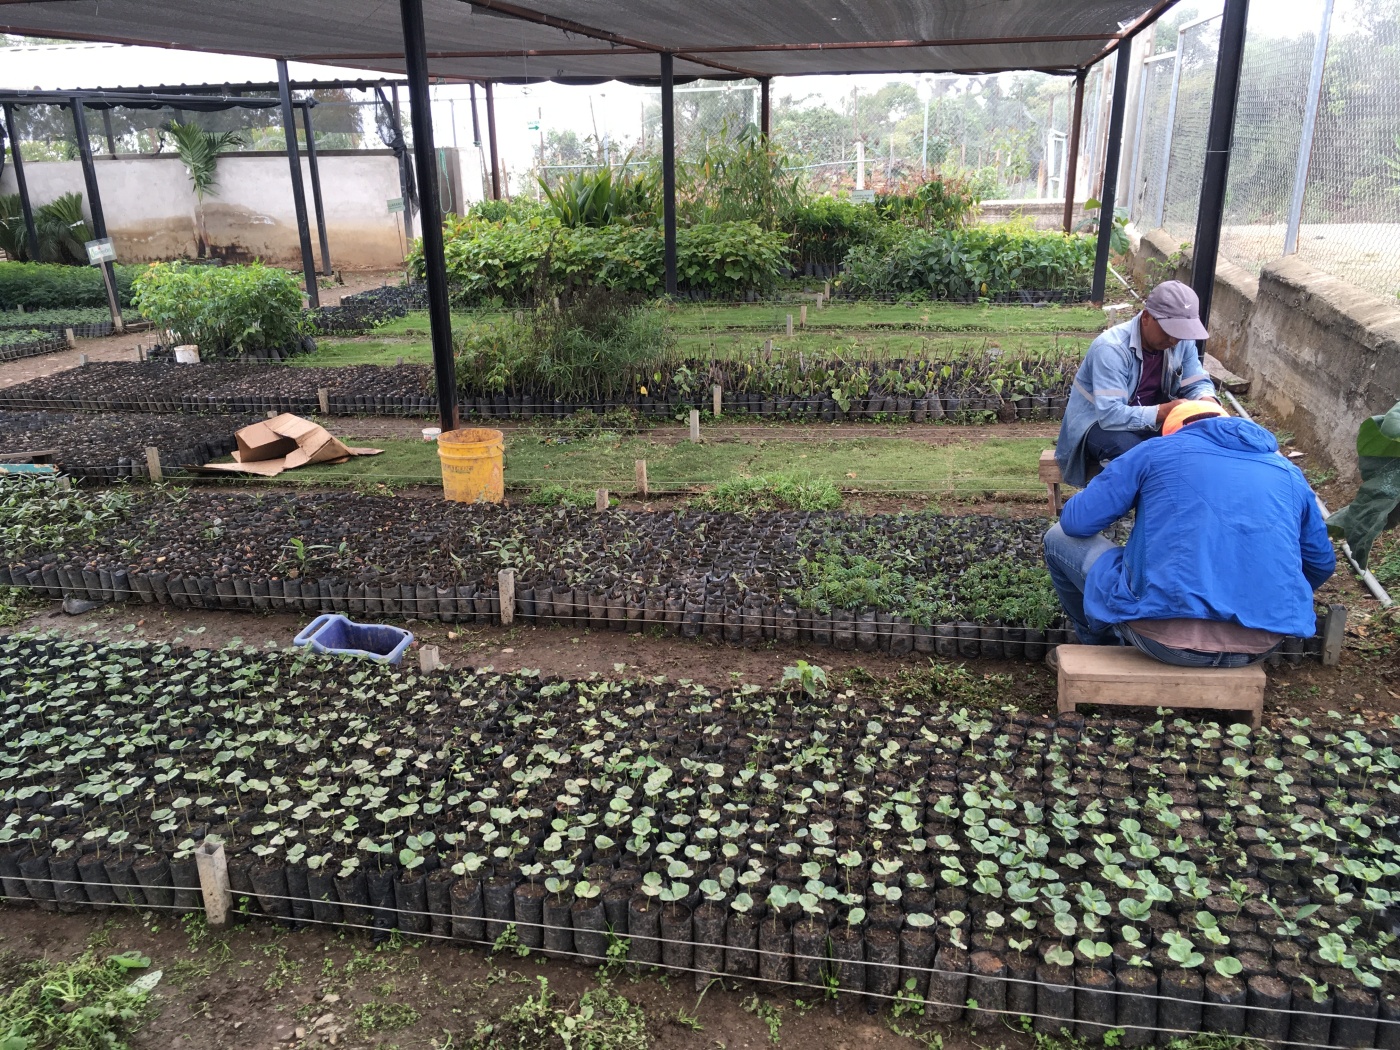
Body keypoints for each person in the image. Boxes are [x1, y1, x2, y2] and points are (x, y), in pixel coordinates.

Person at [1044, 401, 1335, 668]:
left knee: (1058, 539)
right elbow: (1320, 564)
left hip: (1161, 640)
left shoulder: (1154, 452)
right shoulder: (1289, 473)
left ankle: (1099, 648)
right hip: (1259, 645)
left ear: (1174, 432)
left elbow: (1075, 523)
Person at [1054, 280, 1220, 489]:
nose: (1173, 339)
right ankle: (1100, 510)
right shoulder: (1111, 349)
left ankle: (1165, 511)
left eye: (1180, 332)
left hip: (1148, 421)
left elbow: (1196, 382)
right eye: (1168, 330)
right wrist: (1163, 412)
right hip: (1097, 423)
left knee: (1192, 447)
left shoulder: (1181, 342)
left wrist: (1207, 402)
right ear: (1146, 317)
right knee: (1131, 452)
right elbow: (1110, 415)